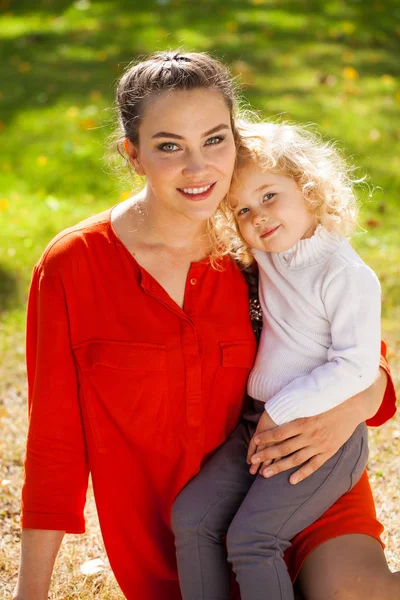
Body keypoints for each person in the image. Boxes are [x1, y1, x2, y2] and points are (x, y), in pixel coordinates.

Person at [13, 51, 397, 600]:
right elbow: (55, 440)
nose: (199, 169)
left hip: (297, 479)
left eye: (215, 140)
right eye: (170, 146)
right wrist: (31, 593)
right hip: (181, 531)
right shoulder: (76, 266)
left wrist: (350, 408)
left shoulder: (257, 243)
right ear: (134, 154)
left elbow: (366, 367)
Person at [171, 121, 385, 600]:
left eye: (270, 196)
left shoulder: (346, 274)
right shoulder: (268, 255)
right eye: (243, 210)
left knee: (253, 540)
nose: (259, 217)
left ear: (309, 190)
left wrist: (282, 410)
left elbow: (357, 365)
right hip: (258, 423)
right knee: (192, 517)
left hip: (317, 431)